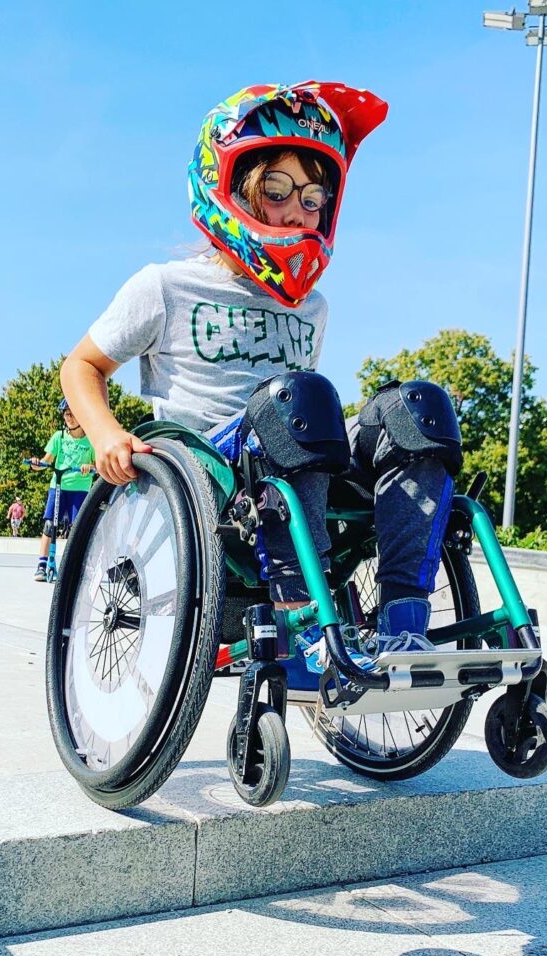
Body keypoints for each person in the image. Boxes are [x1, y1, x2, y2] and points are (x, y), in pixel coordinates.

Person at [59, 81, 463, 688]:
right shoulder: (165, 285)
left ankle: (403, 621)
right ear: (235, 191)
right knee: (297, 401)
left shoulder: (314, 306)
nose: (299, 210)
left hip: (295, 447)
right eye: (277, 192)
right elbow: (80, 367)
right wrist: (105, 434)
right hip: (211, 465)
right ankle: (302, 623)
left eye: (314, 196)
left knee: (419, 409)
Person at [29, 399, 95, 581]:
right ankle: (42, 564)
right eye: (66, 414)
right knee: (49, 525)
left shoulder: (91, 440)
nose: (70, 418)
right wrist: (36, 464)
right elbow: (46, 461)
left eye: (73, 414)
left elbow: (98, 465)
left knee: (78, 528)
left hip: (80, 489)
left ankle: (77, 565)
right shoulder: (59, 437)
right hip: (58, 486)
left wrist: (89, 467)